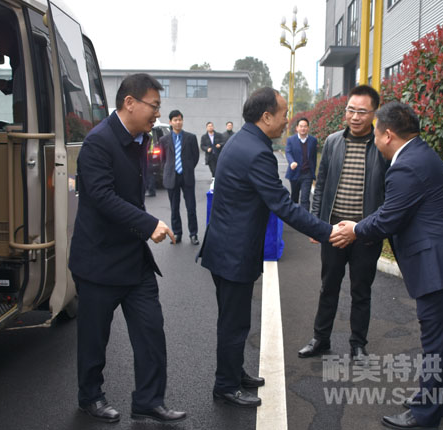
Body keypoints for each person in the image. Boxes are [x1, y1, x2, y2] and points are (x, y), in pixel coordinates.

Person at [331, 101, 443, 429]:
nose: (373, 140)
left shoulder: (406, 166)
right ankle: (438, 401)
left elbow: (389, 218)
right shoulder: (418, 154)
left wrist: (355, 229)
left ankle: (425, 414)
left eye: (375, 133)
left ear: (388, 135)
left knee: (437, 344)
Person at [199, 88, 337, 408]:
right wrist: (328, 232)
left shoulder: (242, 140)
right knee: (234, 323)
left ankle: (234, 372)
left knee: (234, 320)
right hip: (233, 253)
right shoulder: (257, 152)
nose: (287, 120)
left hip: (225, 247)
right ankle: (225, 386)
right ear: (266, 117)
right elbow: (283, 205)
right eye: (284, 114)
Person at [68, 73, 186, 424]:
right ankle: (90, 396)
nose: (158, 114)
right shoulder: (98, 143)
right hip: (98, 260)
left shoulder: (140, 139)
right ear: (130, 103)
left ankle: (149, 401)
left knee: (151, 331)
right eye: (154, 105)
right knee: (94, 339)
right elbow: (102, 197)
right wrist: (149, 224)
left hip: (134, 260)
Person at [297, 86, 388, 365]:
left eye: (362, 111)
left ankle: (358, 345)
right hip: (334, 230)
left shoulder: (382, 147)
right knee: (329, 286)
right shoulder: (333, 142)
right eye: (351, 110)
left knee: (361, 291)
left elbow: (389, 192)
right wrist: (317, 225)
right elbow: (321, 183)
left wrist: (376, 228)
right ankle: (320, 338)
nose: (355, 117)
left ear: (373, 114)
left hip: (366, 232)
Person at [159, 110, 200, 245]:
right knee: (174, 208)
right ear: (170, 122)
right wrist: (170, 169)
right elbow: (162, 159)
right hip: (172, 177)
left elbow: (195, 156)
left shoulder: (191, 138)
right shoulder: (164, 140)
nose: (178, 122)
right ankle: (177, 233)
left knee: (191, 208)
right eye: (175, 120)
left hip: (187, 176)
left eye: (180, 119)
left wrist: (187, 168)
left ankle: (193, 234)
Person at [284, 117, 318, 211]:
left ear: (308, 128)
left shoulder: (313, 140)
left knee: (305, 199)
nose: (303, 128)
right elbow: (288, 152)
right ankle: (294, 216)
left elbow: (314, 158)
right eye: (301, 126)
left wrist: (313, 172)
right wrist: (292, 162)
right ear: (297, 128)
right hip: (295, 173)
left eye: (305, 126)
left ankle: (305, 218)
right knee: (294, 197)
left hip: (307, 174)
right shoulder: (291, 140)